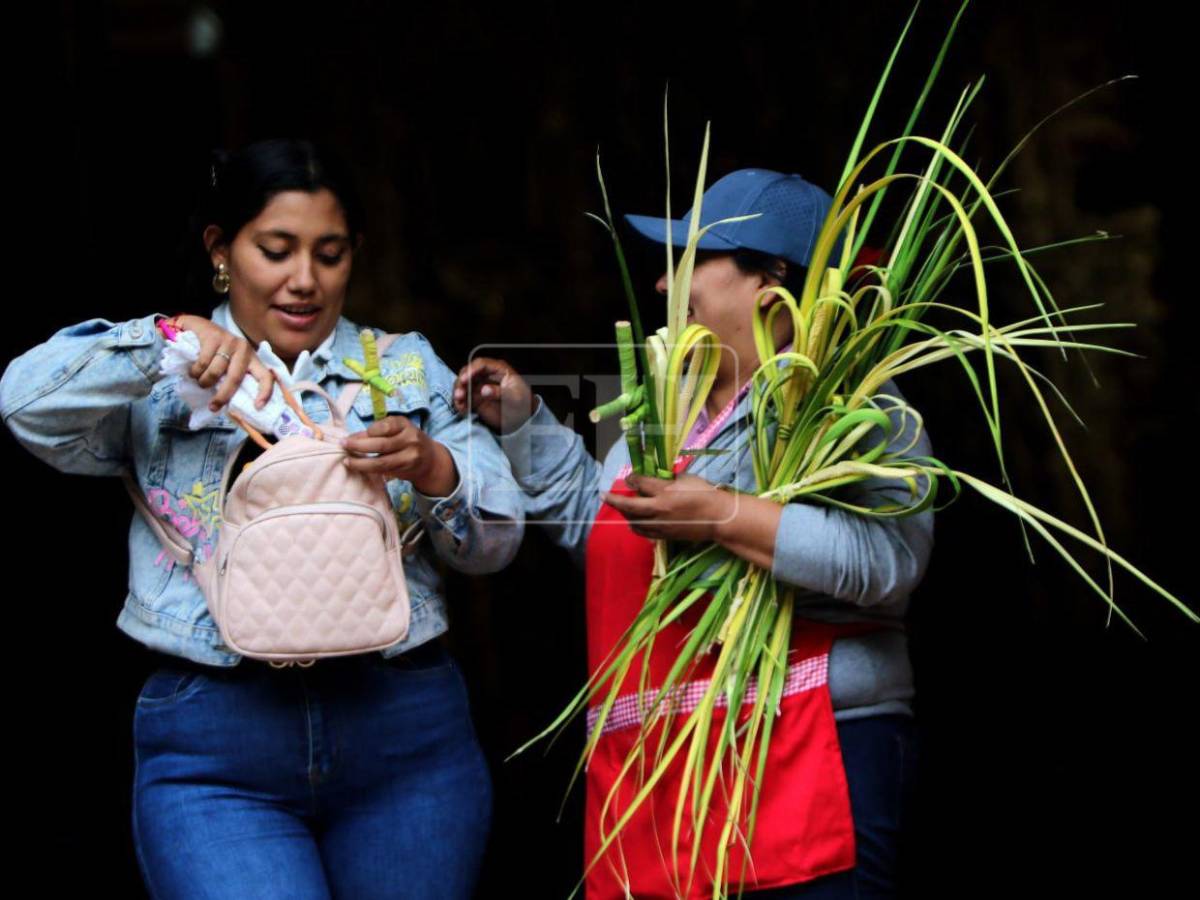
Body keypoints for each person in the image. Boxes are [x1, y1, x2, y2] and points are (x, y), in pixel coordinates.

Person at [0, 138, 523, 900]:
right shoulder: (163, 367)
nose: (304, 280)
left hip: (405, 739)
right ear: (222, 249)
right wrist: (160, 341)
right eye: (275, 251)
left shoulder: (406, 367)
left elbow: (499, 540)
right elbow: (24, 406)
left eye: (330, 254)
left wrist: (432, 466)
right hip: (216, 746)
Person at [454, 169, 932, 898]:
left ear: (768, 278)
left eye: (688, 261)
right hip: (670, 770)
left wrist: (720, 515)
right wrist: (522, 422)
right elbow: (611, 530)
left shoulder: (858, 402)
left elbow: (887, 563)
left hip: (811, 754)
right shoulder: (666, 401)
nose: (663, 285)